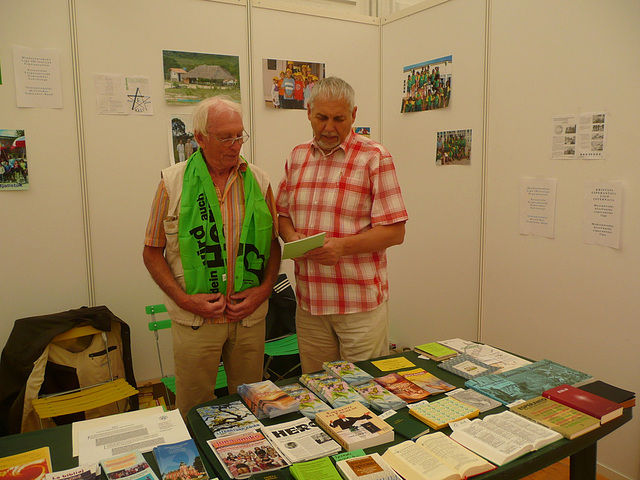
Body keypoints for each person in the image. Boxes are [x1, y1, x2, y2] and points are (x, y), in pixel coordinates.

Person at [143, 95, 281, 418]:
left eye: (240, 135)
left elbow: (274, 245)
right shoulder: (172, 184)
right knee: (193, 409)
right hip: (195, 321)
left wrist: (262, 292)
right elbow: (151, 252)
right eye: (225, 137)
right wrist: (184, 300)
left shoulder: (259, 182)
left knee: (252, 405)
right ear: (200, 138)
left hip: (248, 319)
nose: (235, 145)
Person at [276, 76, 408, 374]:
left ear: (354, 115)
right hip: (309, 305)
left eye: (339, 119)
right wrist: (291, 237)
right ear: (308, 111)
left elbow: (395, 232)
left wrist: (343, 247)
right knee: (319, 391)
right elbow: (282, 214)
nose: (329, 128)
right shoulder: (297, 157)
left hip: (359, 307)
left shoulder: (374, 157)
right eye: (321, 117)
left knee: (367, 392)